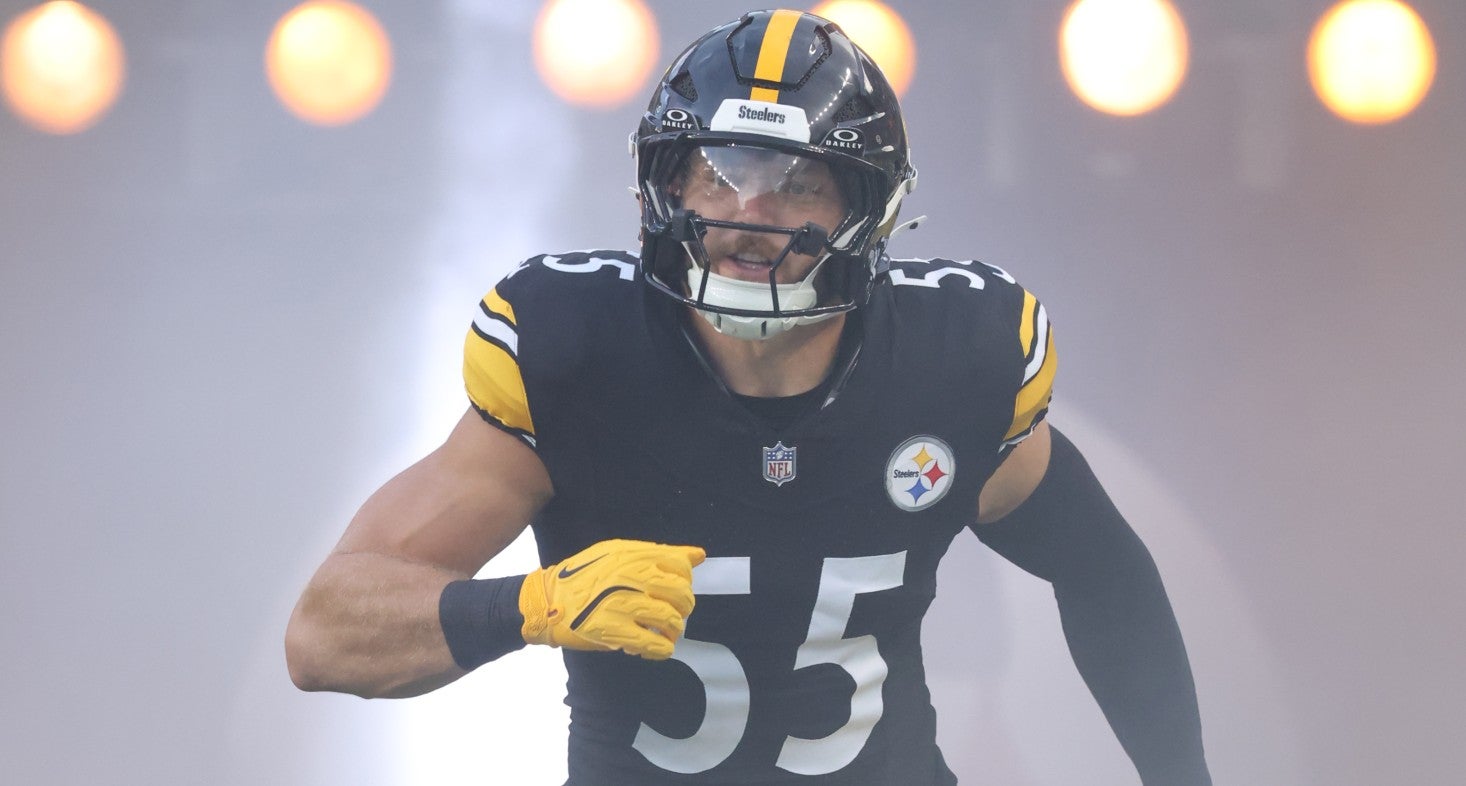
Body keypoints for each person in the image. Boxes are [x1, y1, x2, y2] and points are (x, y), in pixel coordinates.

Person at [285, 9, 1211, 785]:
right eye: (718, 172)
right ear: (664, 186)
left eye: (797, 182)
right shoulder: (577, 358)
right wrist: (528, 603)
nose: (748, 215)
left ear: (868, 210)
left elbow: (1109, 577)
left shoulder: (952, 362)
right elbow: (324, 633)